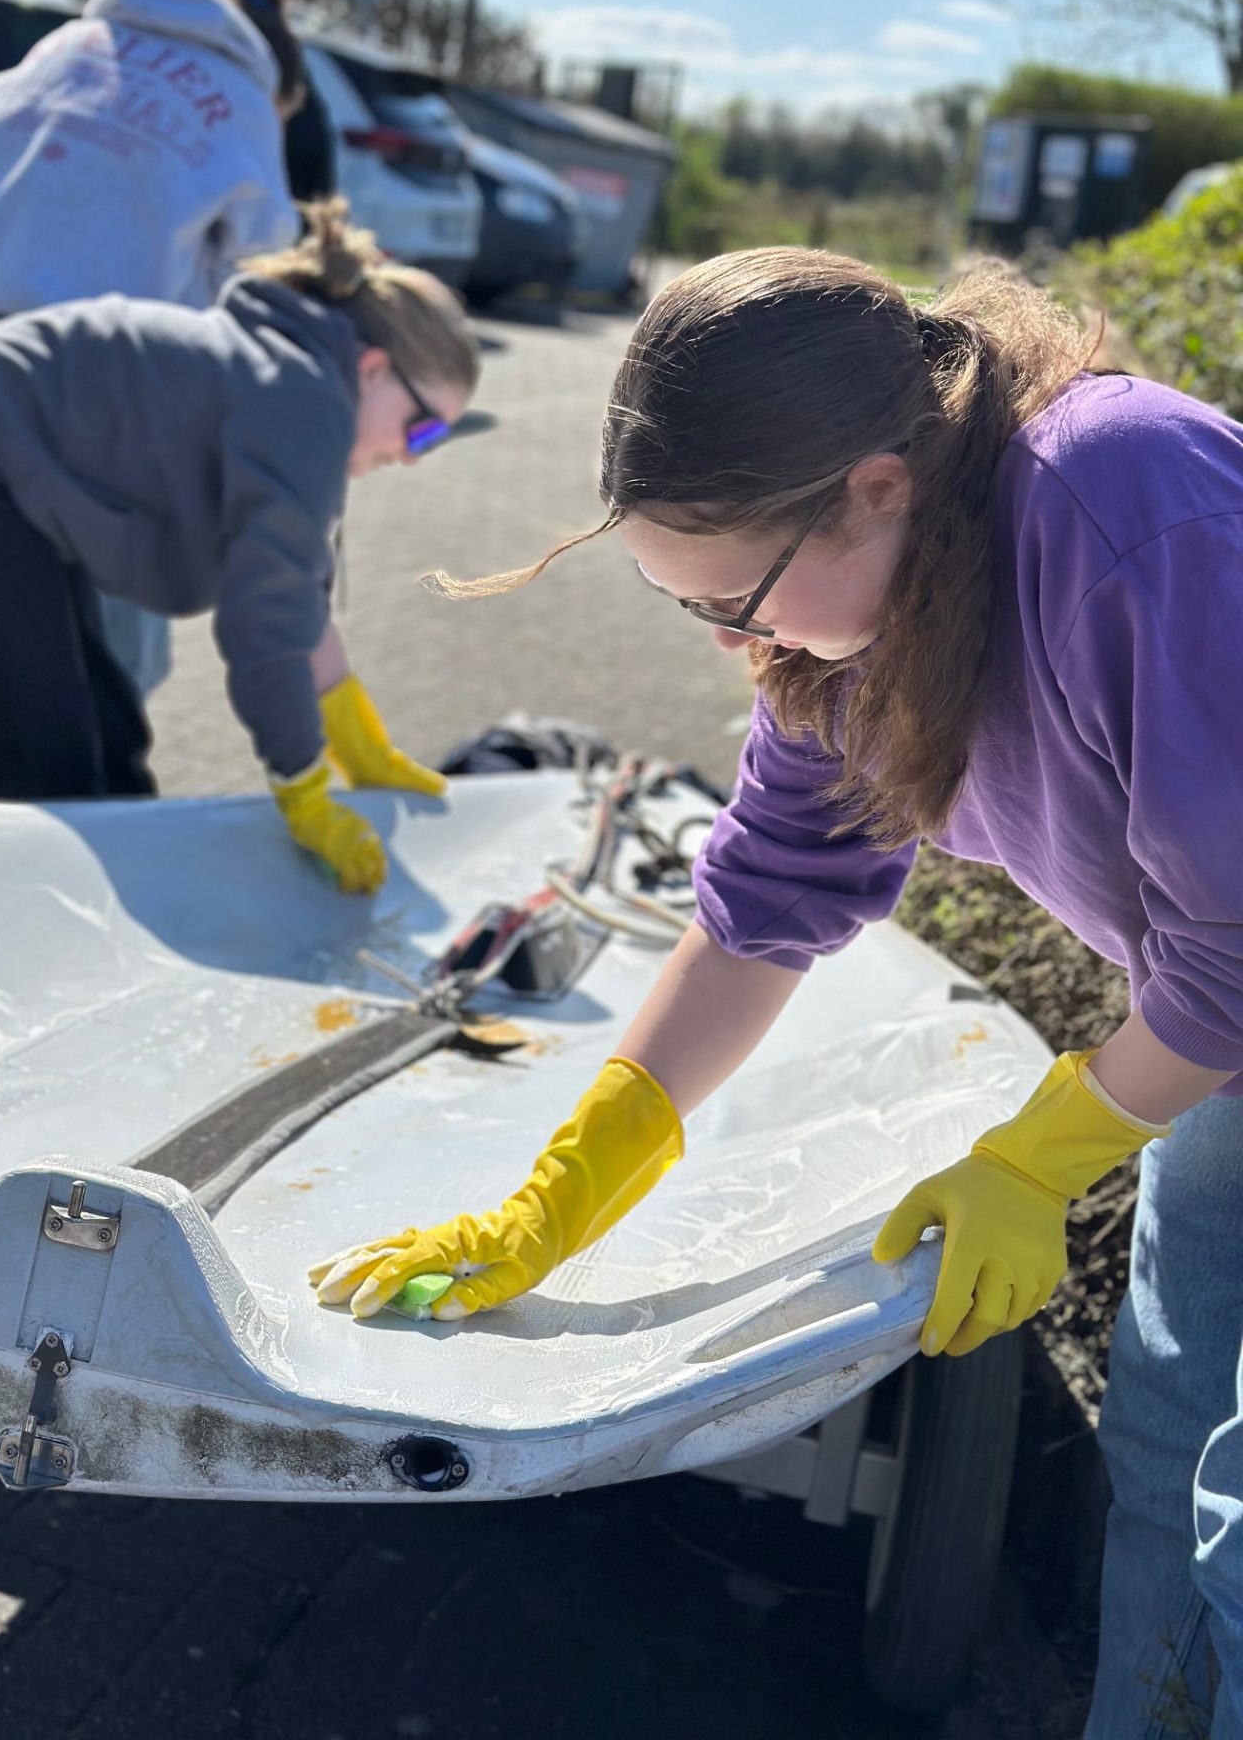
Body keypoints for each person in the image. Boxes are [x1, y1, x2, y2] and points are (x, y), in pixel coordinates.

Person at [311, 249, 1243, 1733]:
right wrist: (564, 1186)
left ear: (877, 485)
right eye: (692, 612)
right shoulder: (843, 631)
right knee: (1165, 1444)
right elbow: (765, 906)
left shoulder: (1127, 499)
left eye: (735, 597)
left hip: (1221, 1016)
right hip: (1221, 1064)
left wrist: (1038, 1154)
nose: (738, 646)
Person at [0, 200, 477, 894]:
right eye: (422, 432)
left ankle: (82, 922)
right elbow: (264, 621)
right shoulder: (307, 402)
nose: (415, 457)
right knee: (38, 763)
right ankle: (11, 934)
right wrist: (301, 786)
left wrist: (361, 744)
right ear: (374, 369)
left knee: (110, 745)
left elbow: (297, 597)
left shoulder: (296, 378)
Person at [0, 0, 308, 722]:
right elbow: (260, 266)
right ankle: (90, 817)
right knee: (112, 659)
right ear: (278, 84)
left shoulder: (62, 51)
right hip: (100, 384)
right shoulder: (240, 97)